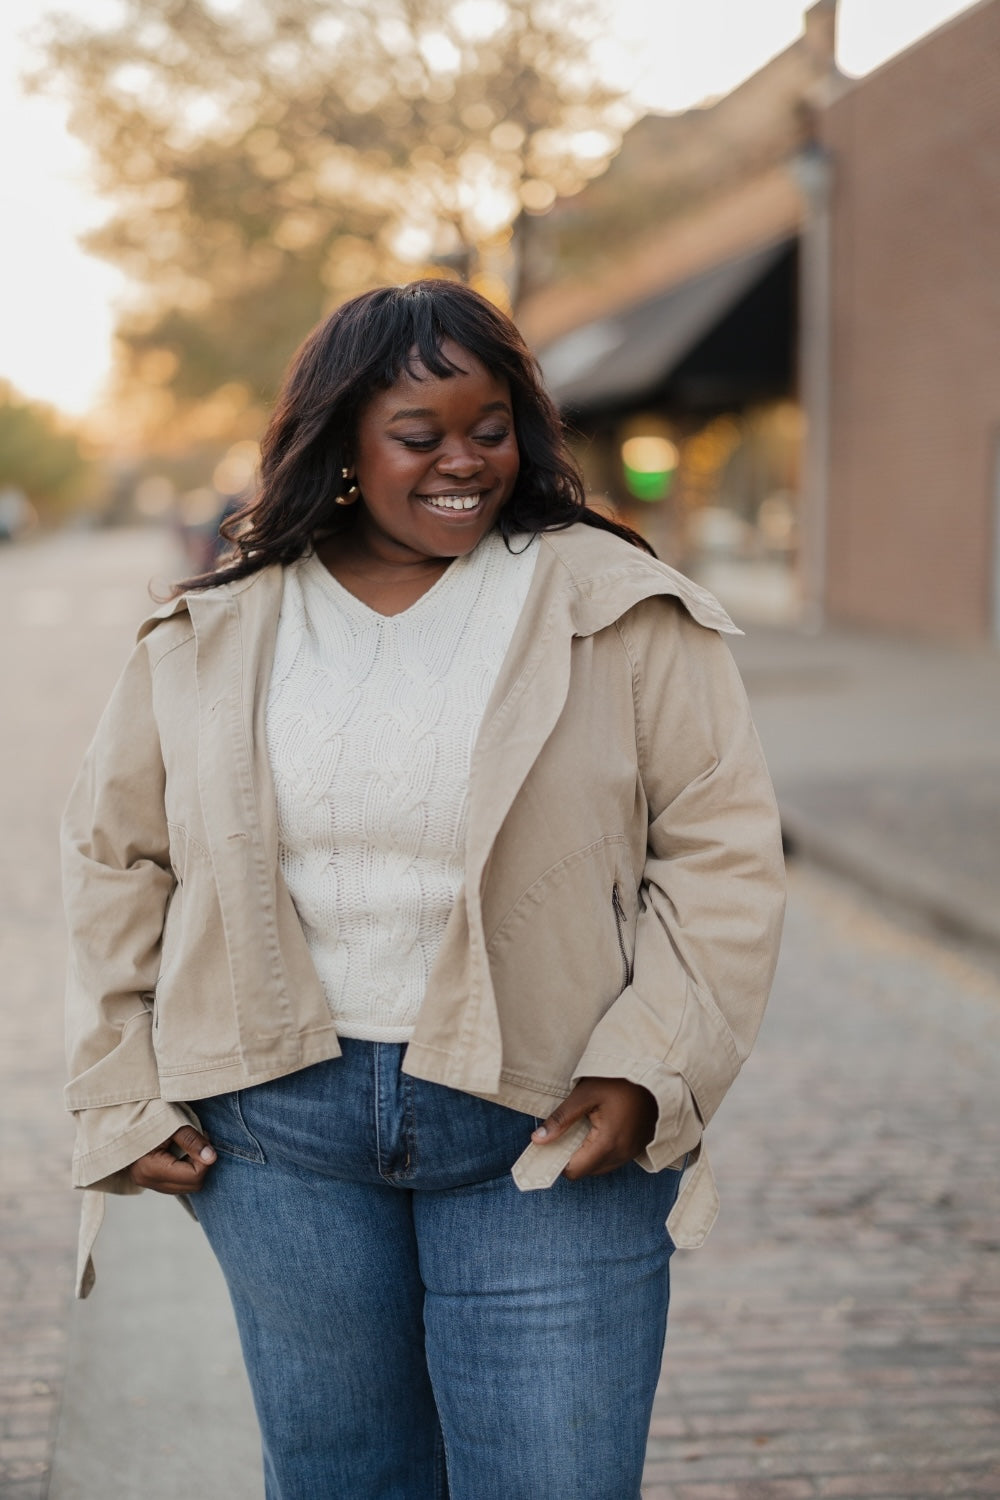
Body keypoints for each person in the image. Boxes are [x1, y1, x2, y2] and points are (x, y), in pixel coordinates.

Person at [62, 279, 785, 1500]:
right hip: (276, 1131)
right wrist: (118, 1089)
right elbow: (118, 860)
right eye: (420, 436)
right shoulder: (218, 627)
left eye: (490, 428)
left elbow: (718, 851)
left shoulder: (613, 604)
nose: (465, 463)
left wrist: (649, 1065)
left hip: (550, 1116)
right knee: (346, 1478)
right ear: (342, 438)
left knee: (555, 1476)